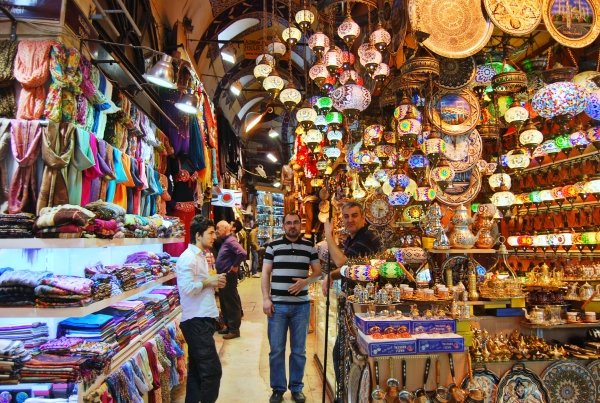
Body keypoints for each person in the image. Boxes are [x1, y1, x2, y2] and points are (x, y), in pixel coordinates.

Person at [262, 212, 322, 403]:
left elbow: (318, 273)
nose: (292, 226)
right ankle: (278, 388)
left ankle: (296, 387)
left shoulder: (309, 248)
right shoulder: (273, 247)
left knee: (299, 350)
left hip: (301, 308)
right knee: (276, 350)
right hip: (277, 307)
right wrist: (266, 299)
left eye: (295, 222)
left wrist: (305, 281)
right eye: (288, 223)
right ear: (283, 226)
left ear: (300, 225)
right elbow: (265, 274)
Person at [322, 201, 381, 382]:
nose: (350, 220)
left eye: (354, 215)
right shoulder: (352, 239)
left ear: (363, 217)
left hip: (365, 307)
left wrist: (328, 236)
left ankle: (344, 395)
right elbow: (350, 268)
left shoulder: (367, 237)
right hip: (354, 305)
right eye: (346, 216)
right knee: (344, 354)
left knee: (345, 355)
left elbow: (342, 263)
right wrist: (331, 275)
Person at [176, 216, 227, 403]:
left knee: (197, 372)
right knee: (212, 373)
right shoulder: (187, 258)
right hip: (195, 321)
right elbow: (187, 288)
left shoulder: (201, 256)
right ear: (198, 235)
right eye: (211, 233)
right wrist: (208, 282)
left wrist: (213, 282)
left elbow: (200, 285)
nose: (215, 236)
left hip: (203, 318)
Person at [215, 220, 247, 339]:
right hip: (224, 276)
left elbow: (242, 253)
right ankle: (229, 326)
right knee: (224, 301)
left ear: (225, 229)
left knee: (231, 303)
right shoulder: (226, 241)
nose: (217, 231)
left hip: (228, 276)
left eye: (218, 228)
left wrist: (234, 266)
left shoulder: (231, 240)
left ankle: (234, 329)